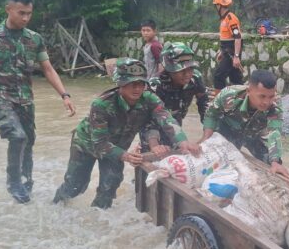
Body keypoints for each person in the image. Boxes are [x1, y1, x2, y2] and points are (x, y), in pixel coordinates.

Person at [0, 0, 77, 204]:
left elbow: (48, 69)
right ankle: (14, 182)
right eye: (21, 13)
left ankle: (27, 181)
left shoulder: (34, 39)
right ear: (8, 9)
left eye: (29, 13)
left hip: (25, 98)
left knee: (28, 140)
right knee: (17, 136)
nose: (26, 18)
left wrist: (64, 95)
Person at [53, 58, 200, 209]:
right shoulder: (102, 104)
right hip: (86, 144)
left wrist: (183, 141)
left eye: (141, 83)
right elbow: (100, 144)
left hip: (117, 147)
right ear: (120, 84)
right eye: (132, 84)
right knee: (75, 185)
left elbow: (166, 119)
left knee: (110, 186)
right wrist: (127, 156)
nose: (137, 88)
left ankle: (97, 216)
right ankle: (55, 207)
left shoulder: (149, 99)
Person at [200, 69, 289, 178]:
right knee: (216, 162)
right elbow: (211, 114)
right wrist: (206, 139)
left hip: (254, 135)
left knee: (273, 166)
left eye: (271, 96)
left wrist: (275, 161)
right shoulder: (229, 94)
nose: (267, 102)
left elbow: (274, 131)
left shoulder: (275, 103)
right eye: (262, 96)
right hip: (228, 130)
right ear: (248, 91)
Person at [148, 42, 209, 126]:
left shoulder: (195, 77)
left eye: (190, 68)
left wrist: (208, 126)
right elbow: (151, 117)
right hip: (155, 124)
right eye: (181, 70)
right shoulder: (156, 85)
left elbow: (203, 100)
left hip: (177, 117)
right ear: (169, 69)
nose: (187, 74)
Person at [212, 0, 244, 91]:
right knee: (236, 79)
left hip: (231, 54)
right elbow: (226, 39)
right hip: (227, 52)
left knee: (218, 77)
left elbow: (237, 38)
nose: (215, 7)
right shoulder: (224, 19)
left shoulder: (231, 18)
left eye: (216, 5)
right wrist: (221, 51)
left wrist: (236, 57)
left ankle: (219, 99)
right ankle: (242, 97)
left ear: (219, 5)